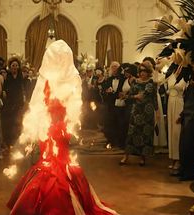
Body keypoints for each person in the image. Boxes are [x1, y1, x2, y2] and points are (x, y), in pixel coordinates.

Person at [7, 40, 118, 215]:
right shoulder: (59, 79)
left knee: (55, 162)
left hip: (56, 126)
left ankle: (54, 201)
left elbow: (53, 105)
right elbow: (48, 105)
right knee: (51, 161)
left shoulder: (60, 80)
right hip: (52, 126)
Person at [120, 61, 158, 166]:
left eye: (145, 71)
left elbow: (150, 96)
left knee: (145, 134)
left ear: (149, 72)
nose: (142, 73)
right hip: (136, 111)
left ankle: (143, 158)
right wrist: (130, 96)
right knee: (132, 132)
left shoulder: (151, 83)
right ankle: (126, 156)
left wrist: (157, 112)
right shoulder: (135, 82)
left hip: (147, 112)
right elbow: (131, 95)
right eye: (140, 71)